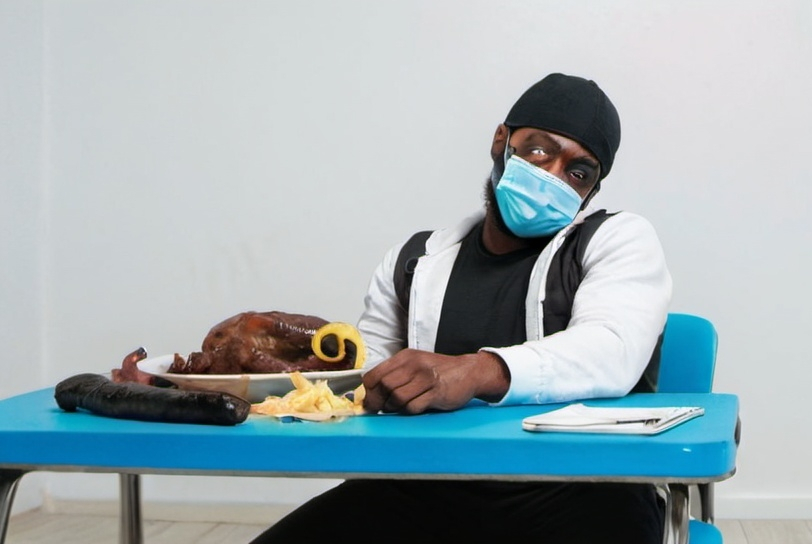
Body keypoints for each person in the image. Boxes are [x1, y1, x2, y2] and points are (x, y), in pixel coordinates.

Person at [252, 73, 672, 544]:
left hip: (584, 494)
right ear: (501, 141)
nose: (552, 175)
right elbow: (362, 378)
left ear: (592, 191)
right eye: (538, 150)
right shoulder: (413, 261)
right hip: (424, 490)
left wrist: (474, 371)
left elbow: (612, 350)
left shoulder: (616, 241)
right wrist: (206, 384)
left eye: (578, 171)